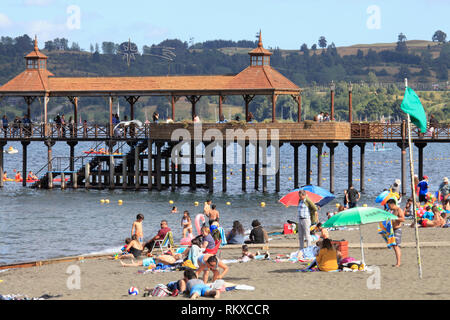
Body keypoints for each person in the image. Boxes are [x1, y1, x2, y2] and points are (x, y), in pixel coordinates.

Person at [386, 198, 405, 267]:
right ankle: (398, 262)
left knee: (396, 246)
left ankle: (398, 263)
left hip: (397, 229)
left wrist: (395, 218)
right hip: (392, 229)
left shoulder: (399, 210)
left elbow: (403, 219)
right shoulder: (392, 210)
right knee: (394, 246)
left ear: (392, 204)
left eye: (389, 205)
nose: (388, 207)